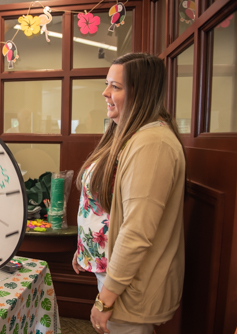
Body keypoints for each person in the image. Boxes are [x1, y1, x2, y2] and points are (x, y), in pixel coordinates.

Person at [72, 53, 185, 334]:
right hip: (111, 271)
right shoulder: (128, 133)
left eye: (116, 87)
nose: (105, 93)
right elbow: (103, 206)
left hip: (128, 284)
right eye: (107, 84)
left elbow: (137, 230)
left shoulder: (152, 144)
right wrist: (84, 248)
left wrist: (106, 298)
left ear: (141, 93)